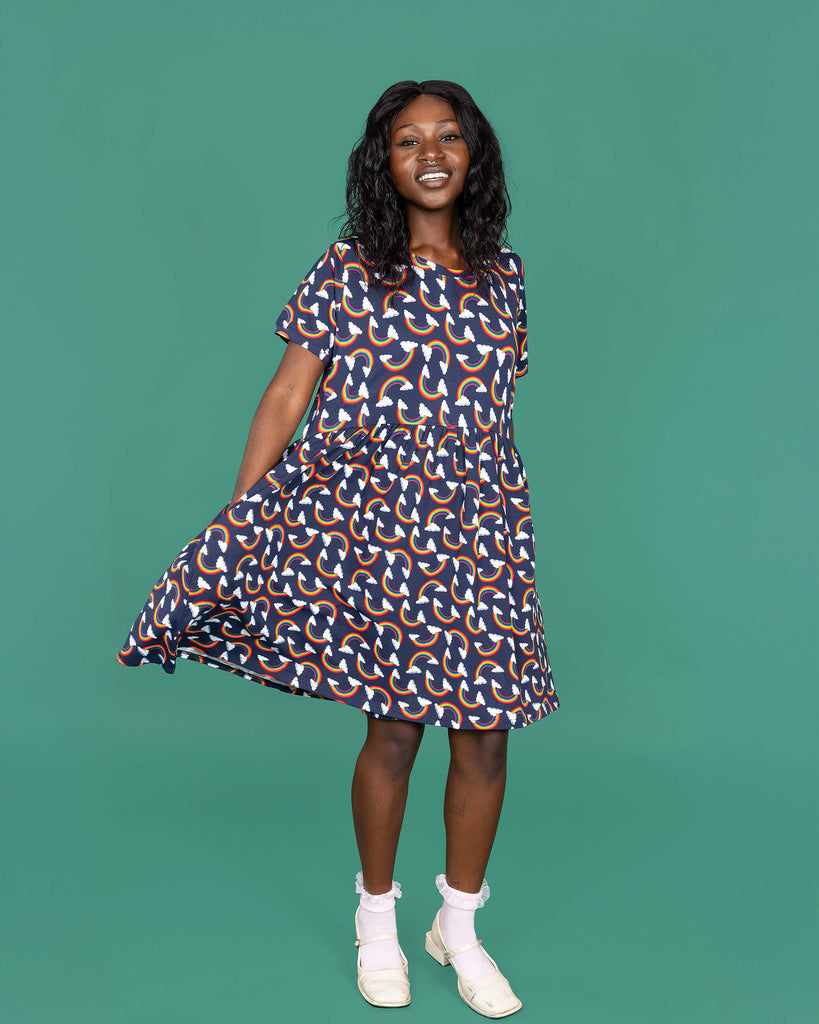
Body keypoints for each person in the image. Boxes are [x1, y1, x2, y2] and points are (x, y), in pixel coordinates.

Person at [116, 79, 559, 1018]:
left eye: (448, 137)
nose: (430, 153)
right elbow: (286, 394)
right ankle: (375, 920)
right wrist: (244, 518)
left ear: (473, 155)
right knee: (394, 730)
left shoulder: (506, 277)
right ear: (383, 163)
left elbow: (488, 407)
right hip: (377, 533)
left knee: (484, 735)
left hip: (479, 531)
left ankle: (459, 929)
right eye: (408, 141)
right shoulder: (352, 266)